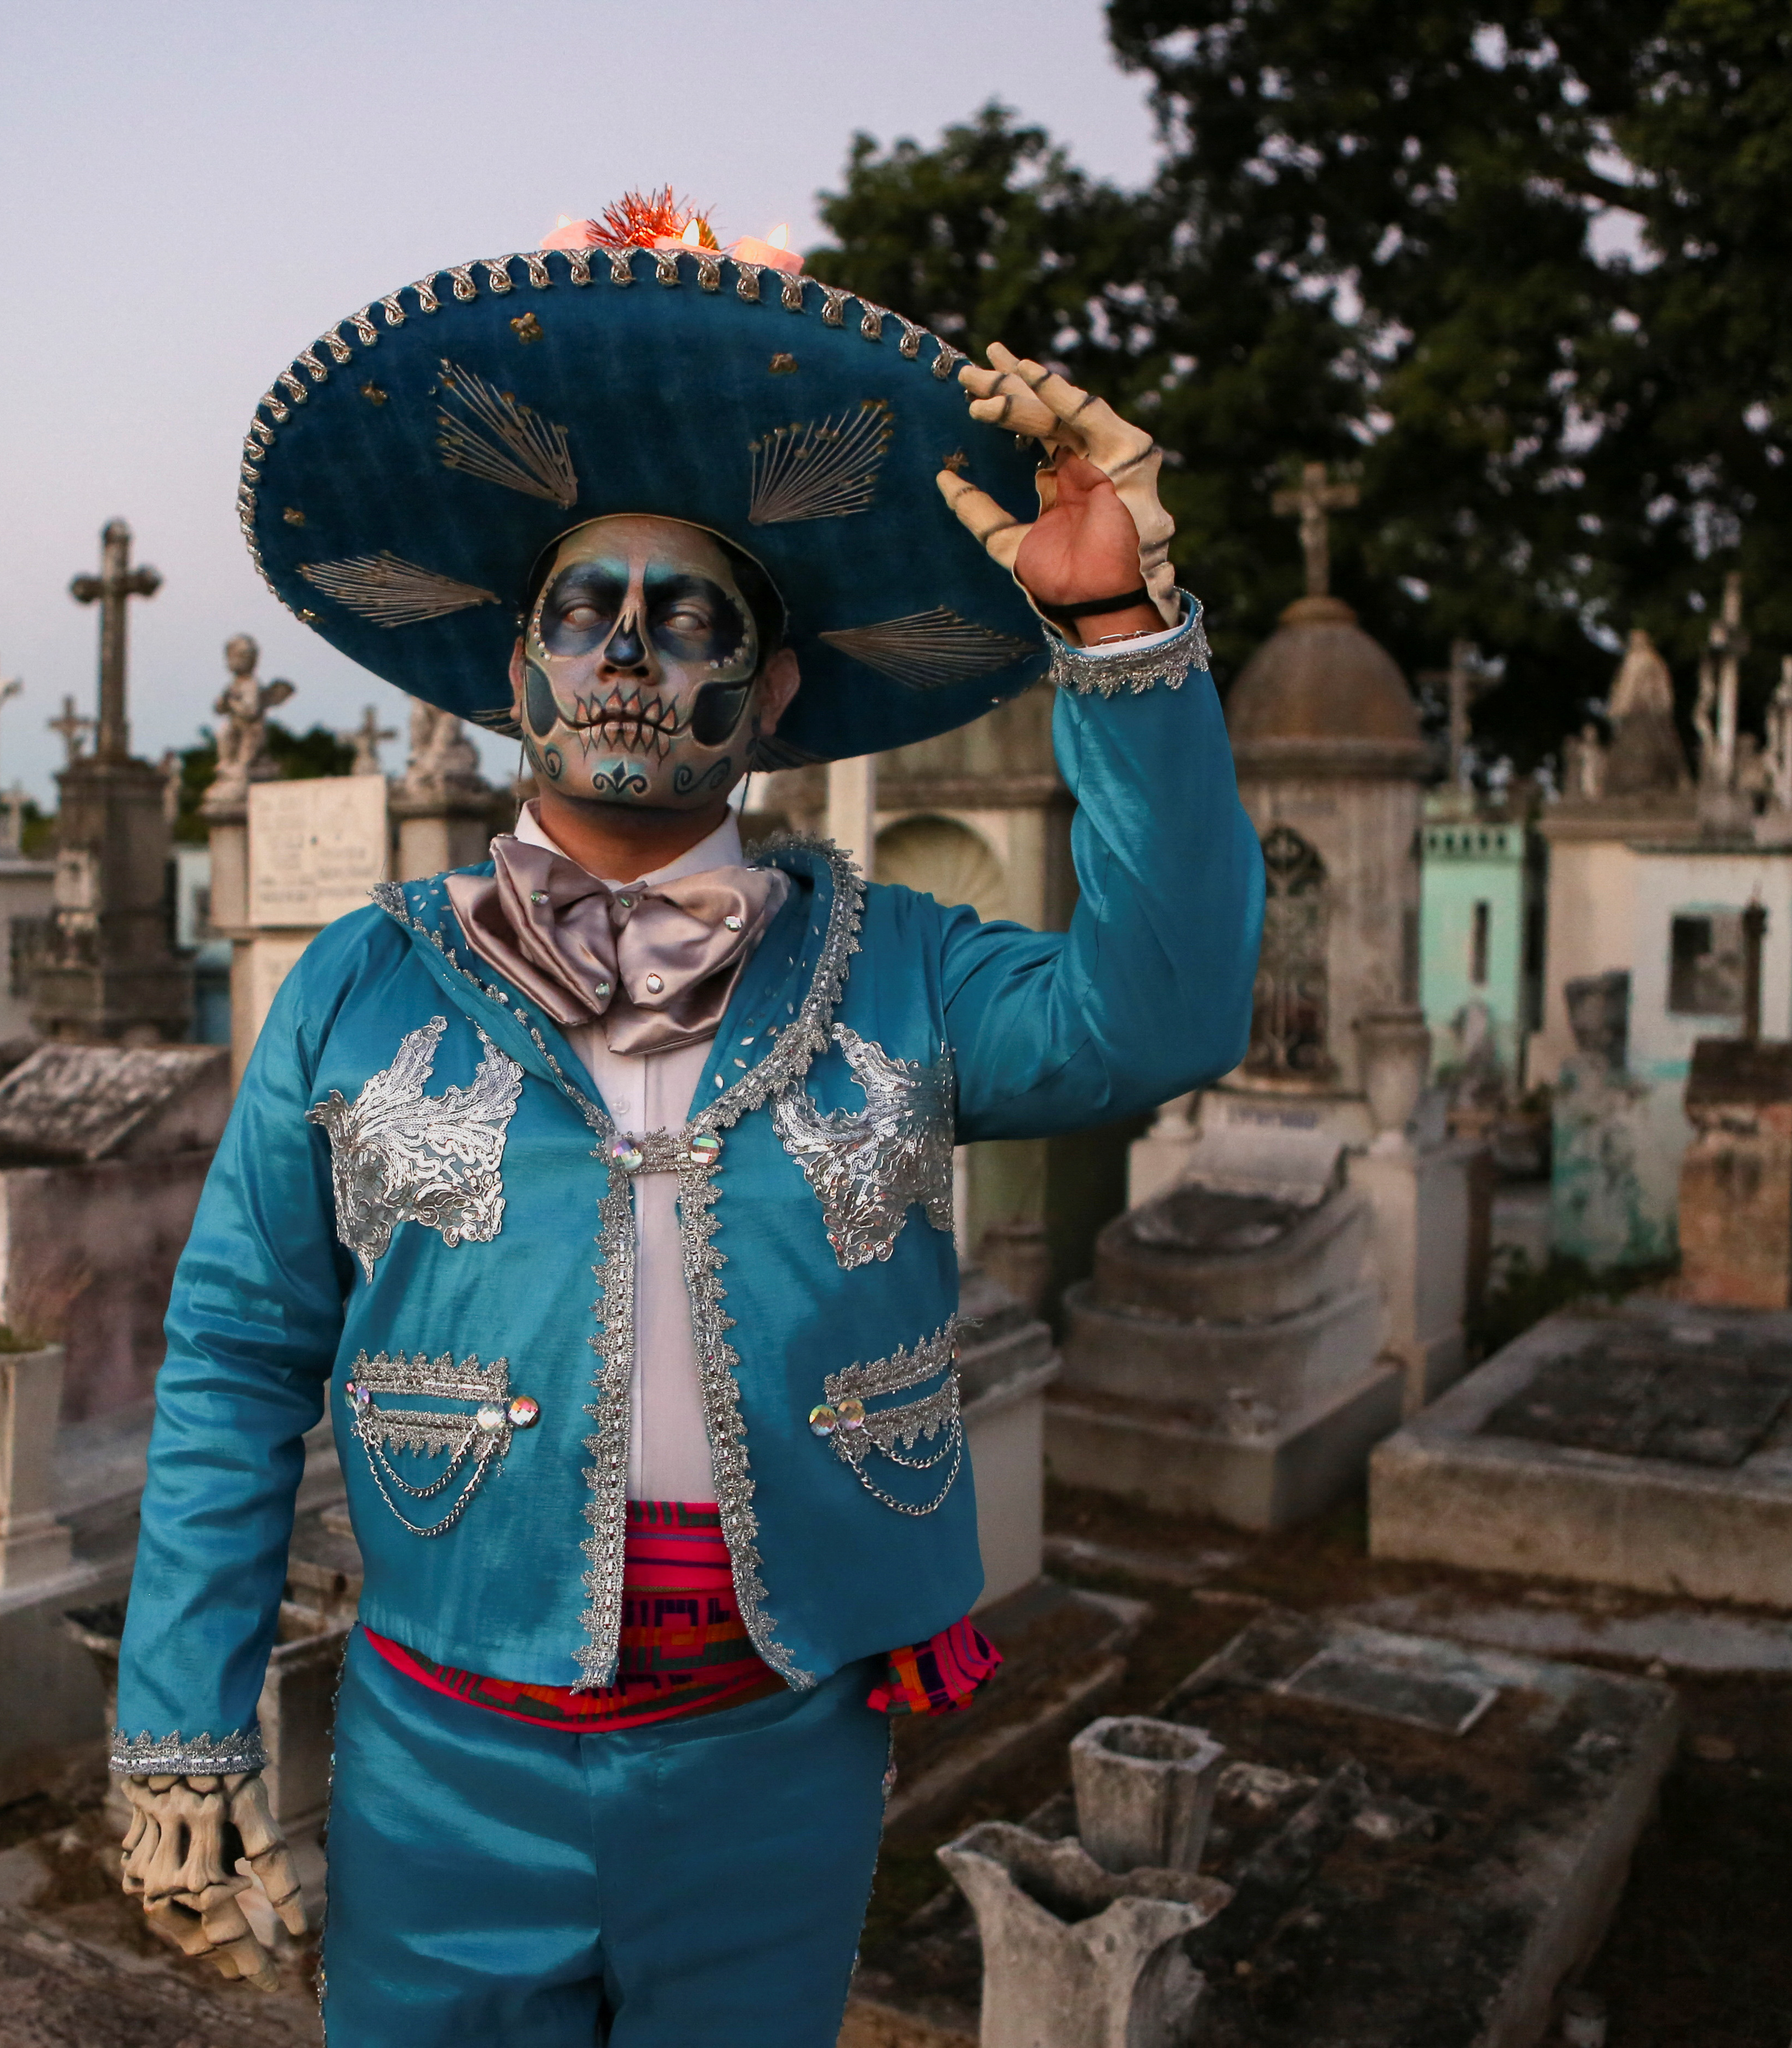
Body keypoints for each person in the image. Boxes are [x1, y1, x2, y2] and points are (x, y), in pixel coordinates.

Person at [110, 197, 1263, 2046]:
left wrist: (1112, 625)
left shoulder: (899, 969)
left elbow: (1166, 1011)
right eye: (588, 611)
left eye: (690, 618)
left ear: (774, 694)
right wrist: (178, 1717)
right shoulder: (357, 982)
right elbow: (239, 1353)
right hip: (434, 1759)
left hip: (776, 1754)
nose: (633, 652)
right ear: (516, 675)